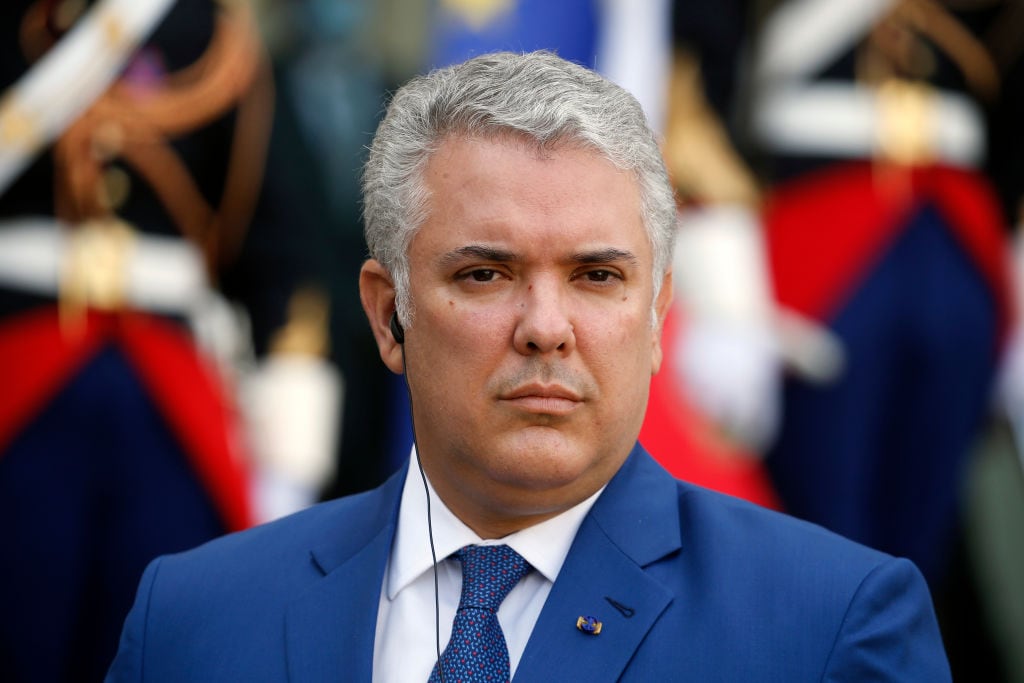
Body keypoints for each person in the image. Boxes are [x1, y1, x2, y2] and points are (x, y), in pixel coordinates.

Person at [105, 50, 950, 681]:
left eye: (597, 276)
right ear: (386, 314)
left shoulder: (833, 625)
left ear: (658, 318)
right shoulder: (190, 619)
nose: (546, 328)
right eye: (485, 274)